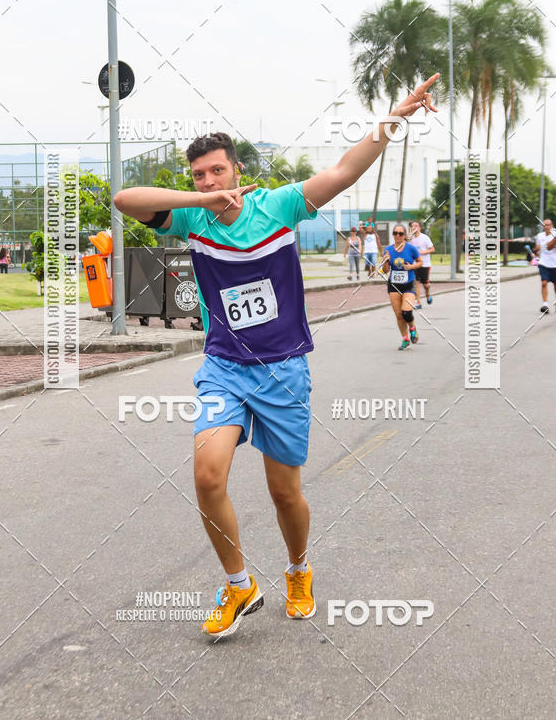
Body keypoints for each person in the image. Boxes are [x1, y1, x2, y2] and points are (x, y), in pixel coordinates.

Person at [113, 74, 439, 639]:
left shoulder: (281, 205)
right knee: (206, 474)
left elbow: (343, 171)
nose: (210, 179)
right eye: (198, 174)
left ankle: (298, 569)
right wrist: (200, 200)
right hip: (224, 368)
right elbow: (125, 200)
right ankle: (239, 586)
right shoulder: (193, 215)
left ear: (238, 169)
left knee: (284, 491)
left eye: (218, 170)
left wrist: (396, 117)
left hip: (284, 371)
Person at [380, 224, 423, 350]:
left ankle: (412, 327)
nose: (397, 236)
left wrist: (411, 267)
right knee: (399, 314)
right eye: (395, 233)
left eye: (400, 233)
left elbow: (420, 262)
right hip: (393, 284)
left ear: (404, 235)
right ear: (393, 235)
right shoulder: (388, 250)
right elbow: (385, 270)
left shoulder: (411, 248)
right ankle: (405, 338)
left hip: (408, 283)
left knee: (406, 312)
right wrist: (386, 261)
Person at [533, 219, 556, 314]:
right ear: (543, 226)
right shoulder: (539, 236)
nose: (547, 227)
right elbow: (537, 247)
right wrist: (537, 251)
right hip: (543, 263)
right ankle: (545, 305)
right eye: (545, 225)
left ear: (552, 225)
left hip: (555, 264)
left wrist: (548, 245)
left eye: (548, 225)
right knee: (544, 283)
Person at [408, 220, 435, 308]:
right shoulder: (409, 239)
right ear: (411, 228)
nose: (414, 227)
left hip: (425, 264)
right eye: (413, 226)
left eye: (416, 225)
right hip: (414, 264)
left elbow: (432, 249)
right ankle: (418, 302)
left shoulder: (425, 238)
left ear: (419, 228)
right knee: (416, 282)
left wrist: (421, 253)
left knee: (425, 284)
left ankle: (428, 293)